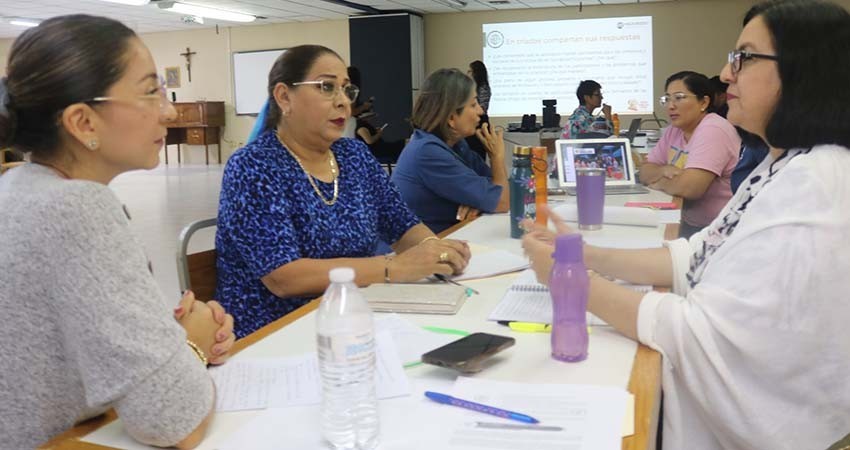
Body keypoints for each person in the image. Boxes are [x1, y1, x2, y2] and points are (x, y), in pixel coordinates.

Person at [522, 1, 850, 449]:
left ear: (804, 71)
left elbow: (698, 336)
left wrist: (568, 279)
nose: (725, 73)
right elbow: (696, 254)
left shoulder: (816, 185)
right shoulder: (785, 163)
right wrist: (580, 251)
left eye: (743, 57)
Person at [0, 15, 235, 449]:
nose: (167, 110)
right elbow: (171, 421)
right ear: (83, 123)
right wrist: (194, 346)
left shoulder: (18, 187)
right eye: (150, 91)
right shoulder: (75, 208)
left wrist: (164, 344)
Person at [216, 46, 471, 338]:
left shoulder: (354, 155)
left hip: (353, 317)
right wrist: (394, 267)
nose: (343, 103)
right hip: (278, 332)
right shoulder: (254, 166)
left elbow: (402, 225)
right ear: (284, 96)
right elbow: (284, 278)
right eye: (327, 87)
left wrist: (436, 252)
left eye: (347, 90)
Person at [391, 68, 510, 234]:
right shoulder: (427, 153)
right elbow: (502, 201)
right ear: (452, 118)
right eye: (473, 104)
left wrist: (479, 202)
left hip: (444, 238)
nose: (480, 111)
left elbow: (497, 188)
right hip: (412, 252)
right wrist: (497, 156)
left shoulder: (456, 144)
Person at [638, 71, 741, 238]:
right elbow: (644, 171)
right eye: (667, 99)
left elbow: (690, 188)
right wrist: (665, 170)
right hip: (686, 221)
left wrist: (658, 183)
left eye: (679, 97)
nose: (671, 105)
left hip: (719, 231)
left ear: (704, 102)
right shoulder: (674, 130)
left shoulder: (713, 129)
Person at [465, 60, 491, 160]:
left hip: (480, 121)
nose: (468, 73)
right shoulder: (471, 87)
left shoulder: (483, 87)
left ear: (476, 72)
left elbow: (482, 108)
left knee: (478, 152)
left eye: (470, 71)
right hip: (472, 120)